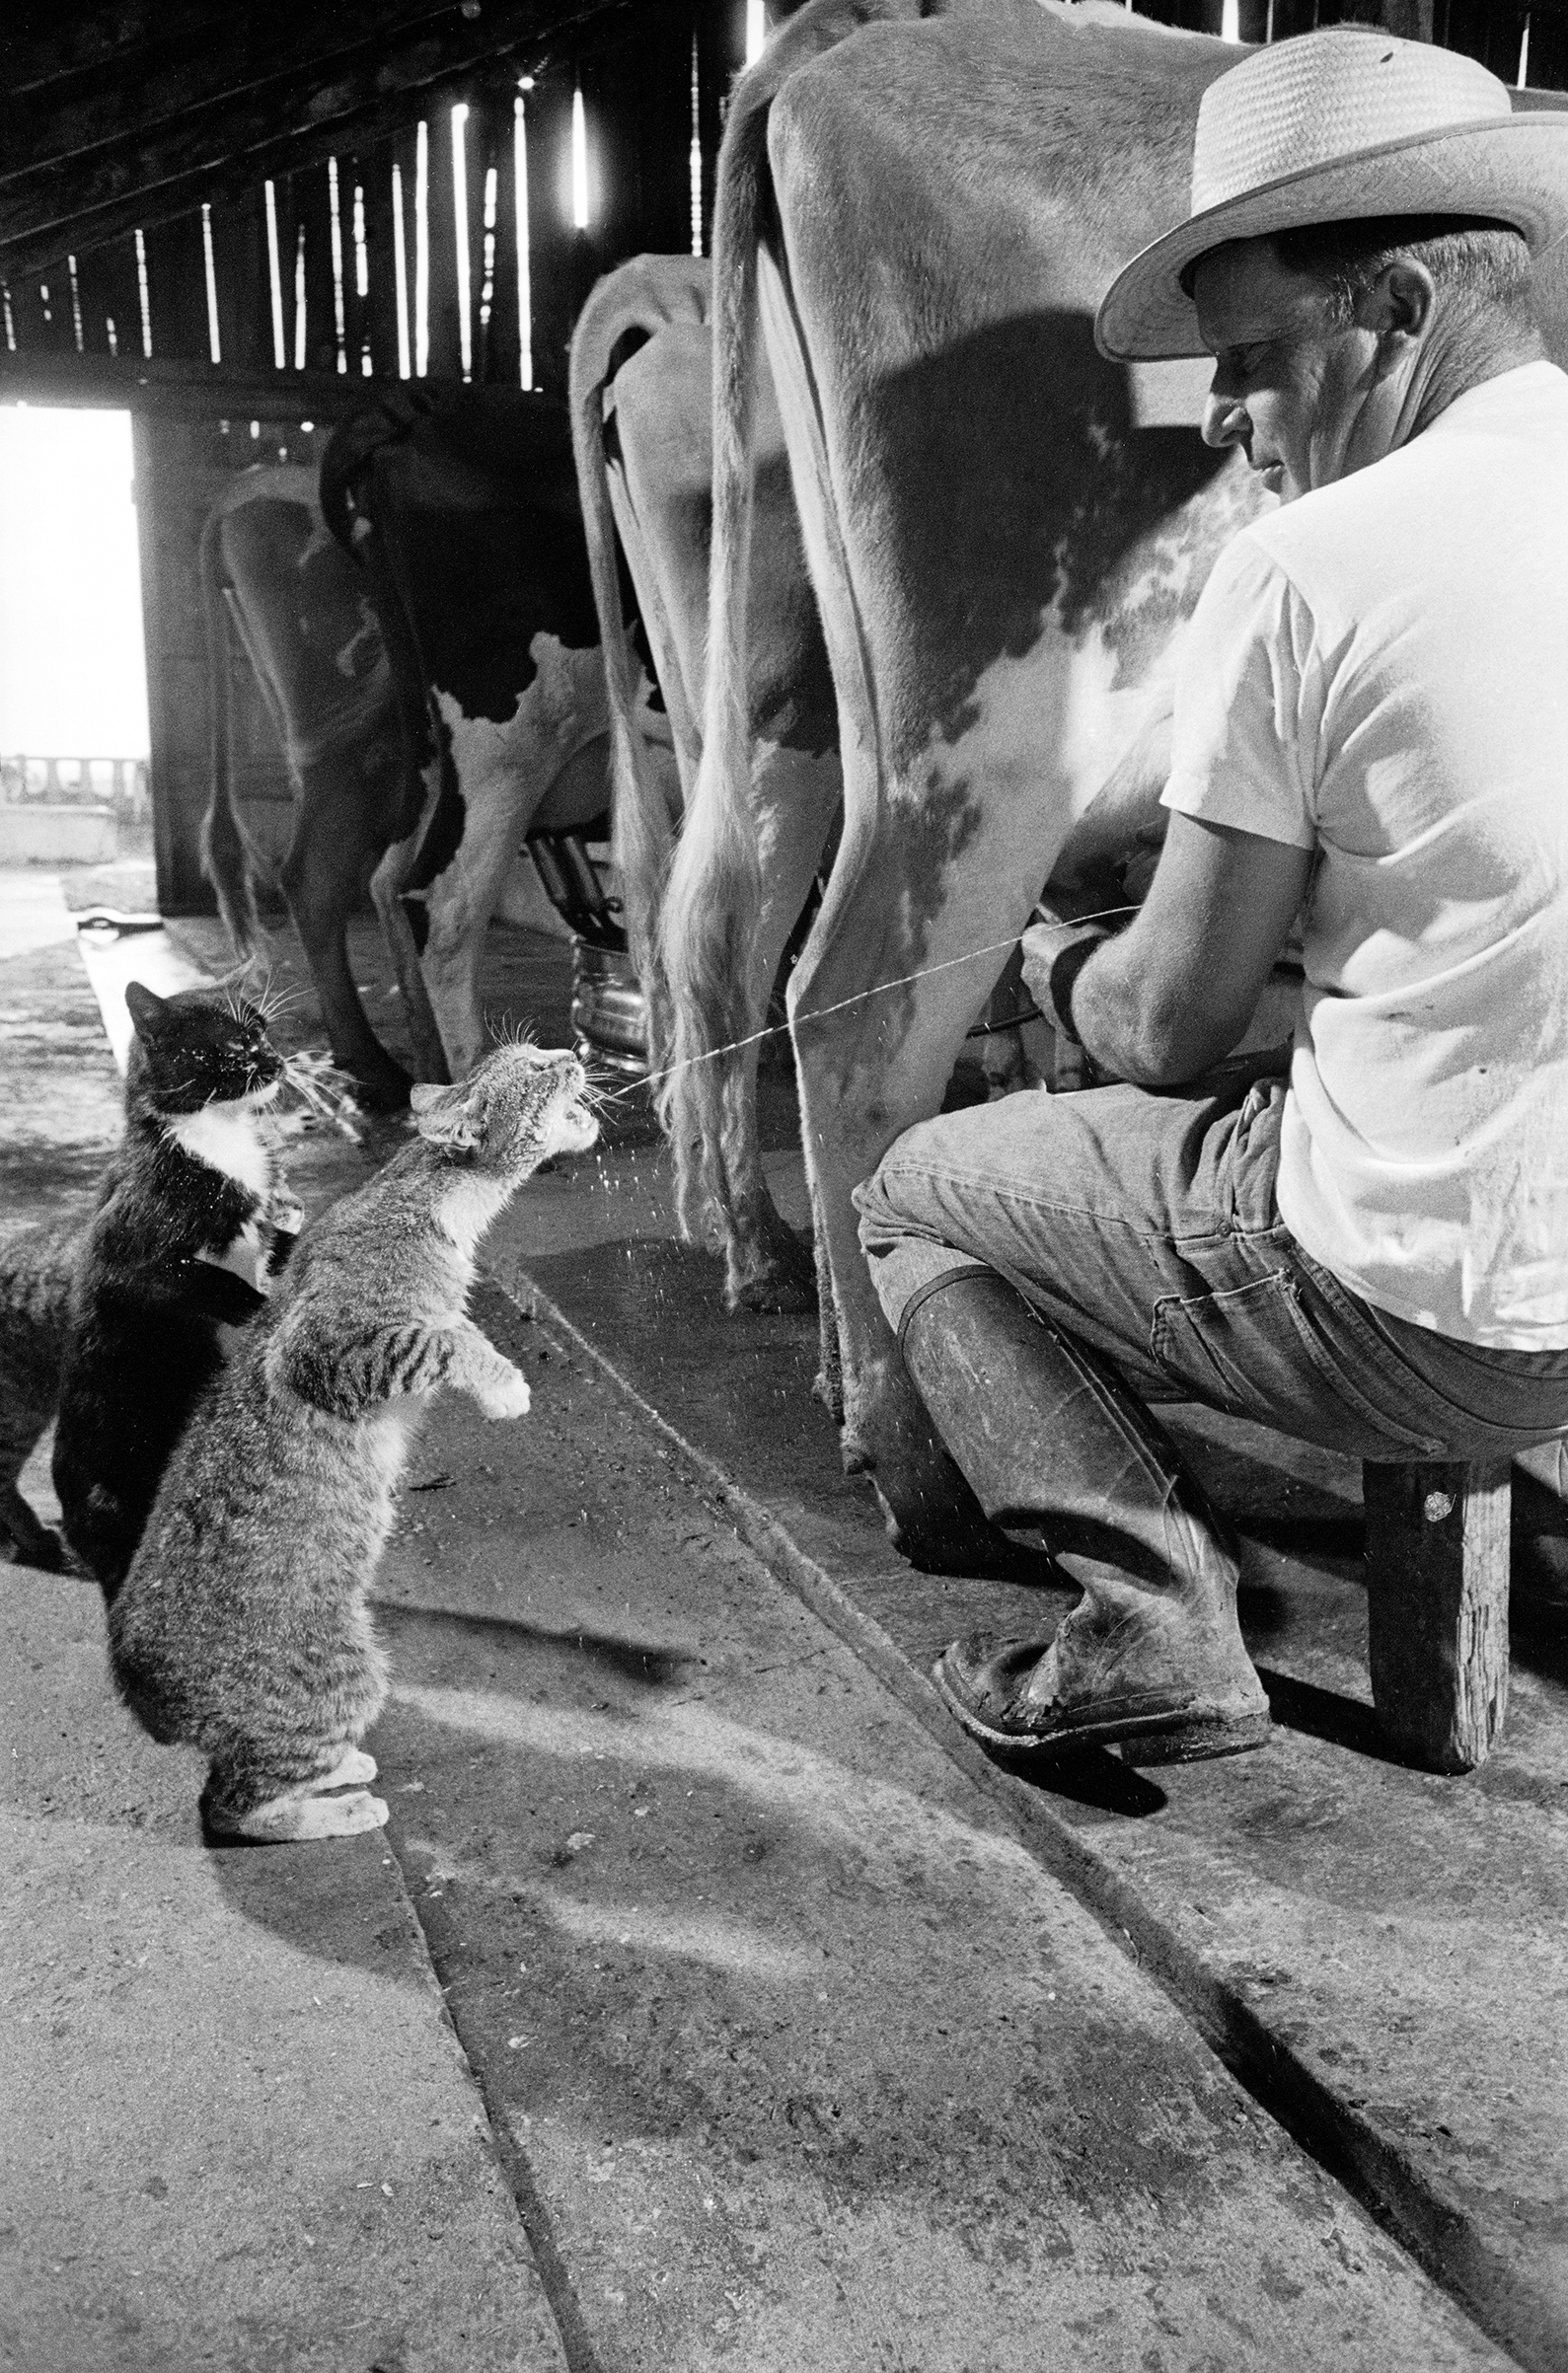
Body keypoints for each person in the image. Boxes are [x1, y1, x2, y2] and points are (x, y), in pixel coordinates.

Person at [853, 26, 1568, 1766]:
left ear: (1392, 306)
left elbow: (1169, 1031)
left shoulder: (1309, 563)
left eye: (1248, 360)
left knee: (920, 1190)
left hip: (1457, 1314)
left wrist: (1055, 962)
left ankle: (1148, 1618)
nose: (1223, 421)